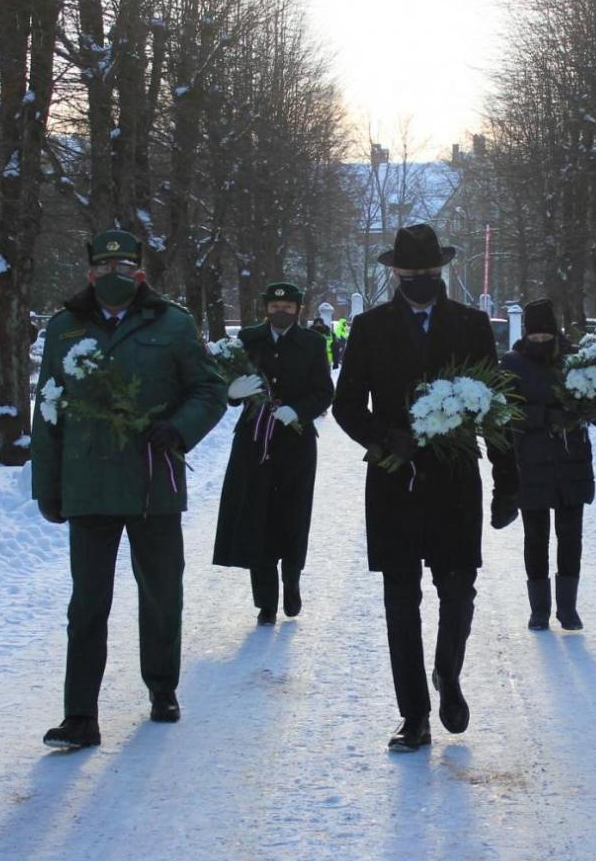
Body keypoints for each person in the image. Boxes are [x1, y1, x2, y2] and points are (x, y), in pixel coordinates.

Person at [31, 229, 228, 749]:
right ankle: (80, 716)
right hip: (88, 483)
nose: (114, 276)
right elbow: (48, 406)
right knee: (87, 605)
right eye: (104, 268)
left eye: (124, 269)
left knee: (162, 593)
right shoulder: (65, 328)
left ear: (139, 274)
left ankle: (162, 688)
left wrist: (179, 430)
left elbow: (210, 390)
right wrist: (46, 484)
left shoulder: (173, 323)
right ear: (90, 272)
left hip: (151, 481)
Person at [333, 223, 518, 753]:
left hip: (454, 479)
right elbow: (346, 405)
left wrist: (507, 480)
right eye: (411, 272)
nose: (420, 280)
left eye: (429, 272)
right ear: (395, 272)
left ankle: (448, 673)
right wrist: (382, 438)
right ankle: (413, 714)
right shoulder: (369, 327)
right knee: (400, 599)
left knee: (458, 590)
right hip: (394, 479)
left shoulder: (471, 324)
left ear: (442, 271)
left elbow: (494, 404)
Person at [212, 282, 335, 625]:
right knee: (257, 516)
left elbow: (324, 392)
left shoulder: (312, 343)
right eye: (275, 307)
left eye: (288, 307)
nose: (281, 312)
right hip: (253, 440)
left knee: (292, 514)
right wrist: (232, 392)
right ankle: (265, 600)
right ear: (266, 308)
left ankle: (292, 579)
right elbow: (225, 381)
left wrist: (299, 410)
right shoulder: (248, 339)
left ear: (298, 309)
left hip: (296, 441)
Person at [498, 298, 592, 631]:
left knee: (571, 536)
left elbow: (594, 402)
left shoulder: (576, 361)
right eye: (535, 335)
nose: (540, 340)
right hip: (530, 460)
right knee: (535, 537)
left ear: (555, 332)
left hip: (571, 460)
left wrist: (588, 410)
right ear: (526, 333)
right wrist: (544, 416)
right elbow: (506, 410)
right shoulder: (512, 363)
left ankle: (568, 608)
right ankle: (539, 609)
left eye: (546, 335)